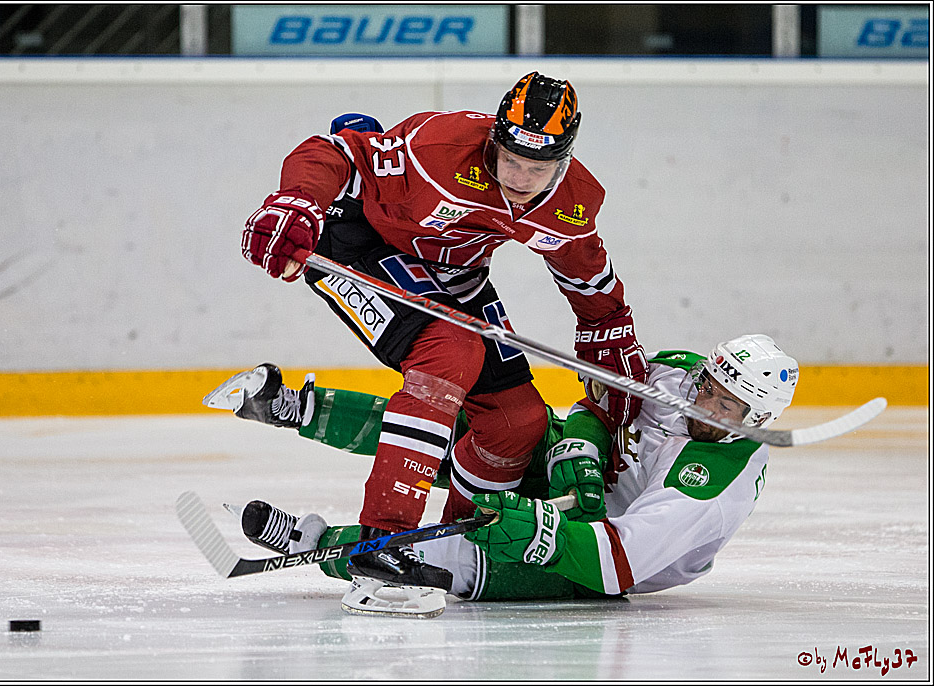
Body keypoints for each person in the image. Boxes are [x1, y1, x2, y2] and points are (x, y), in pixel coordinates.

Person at [239, 72, 649, 607]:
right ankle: (383, 540)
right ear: (495, 140)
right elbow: (334, 151)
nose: (522, 178)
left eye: (539, 167)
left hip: (454, 276)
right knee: (452, 347)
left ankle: (457, 545)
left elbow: (590, 285)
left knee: (517, 422)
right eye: (512, 160)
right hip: (360, 243)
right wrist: (295, 204)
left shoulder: (572, 202)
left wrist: (613, 348)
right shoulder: (439, 150)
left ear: (564, 160)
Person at [204, 334, 799, 617]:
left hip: (600, 556)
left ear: (758, 420)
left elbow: (623, 561)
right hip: (580, 483)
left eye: (725, 405)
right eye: (708, 386)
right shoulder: (675, 374)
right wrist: (580, 447)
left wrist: (542, 533)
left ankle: (313, 542)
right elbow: (599, 406)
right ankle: (295, 406)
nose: (703, 404)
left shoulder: (715, 482)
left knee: (458, 561)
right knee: (475, 428)